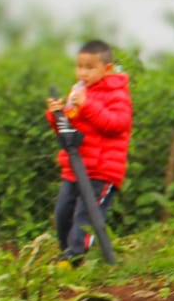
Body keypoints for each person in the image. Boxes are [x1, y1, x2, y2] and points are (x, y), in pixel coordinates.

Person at [44, 39, 131, 264]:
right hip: (76, 167)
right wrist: (56, 114)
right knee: (63, 213)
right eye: (80, 66)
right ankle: (66, 253)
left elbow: (117, 124)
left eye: (90, 67)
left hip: (101, 170)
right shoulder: (78, 92)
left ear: (107, 68)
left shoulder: (116, 94)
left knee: (86, 216)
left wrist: (88, 105)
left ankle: (75, 257)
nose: (83, 72)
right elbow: (67, 131)